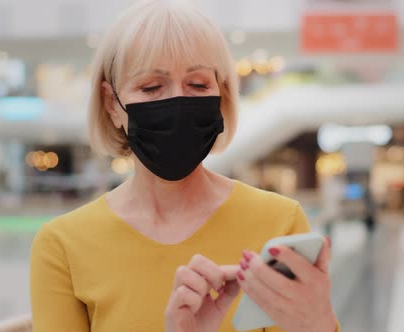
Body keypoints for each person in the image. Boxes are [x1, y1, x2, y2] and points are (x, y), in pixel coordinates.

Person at [30, 1, 339, 331]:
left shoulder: (279, 223)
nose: (178, 103)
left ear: (220, 95)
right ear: (112, 104)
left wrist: (317, 323)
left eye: (198, 85)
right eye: (151, 87)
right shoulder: (63, 247)